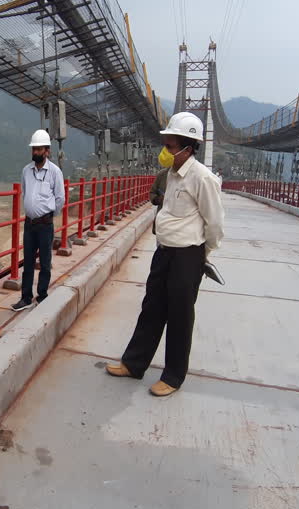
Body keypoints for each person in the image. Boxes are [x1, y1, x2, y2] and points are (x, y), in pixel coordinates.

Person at [105, 112, 224, 397]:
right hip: (164, 252)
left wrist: (201, 255)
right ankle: (134, 364)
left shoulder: (202, 178)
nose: (166, 152)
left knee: (180, 315)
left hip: (187, 256)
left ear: (187, 148)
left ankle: (173, 376)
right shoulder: (170, 175)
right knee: (152, 308)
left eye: (170, 146)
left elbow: (215, 223)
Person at [11, 129, 64, 311]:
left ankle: (42, 296)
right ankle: (25, 298)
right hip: (30, 224)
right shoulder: (26, 171)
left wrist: (48, 216)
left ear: (47, 151)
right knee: (28, 262)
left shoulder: (55, 172)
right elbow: (25, 192)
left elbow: (60, 198)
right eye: (33, 149)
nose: (35, 152)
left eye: (39, 149)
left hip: (45, 225)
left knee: (45, 262)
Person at [149, 168, 169, 235]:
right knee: (161, 243)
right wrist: (157, 199)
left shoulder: (193, 175)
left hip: (182, 225)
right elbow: (153, 192)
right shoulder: (162, 174)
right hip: (163, 220)